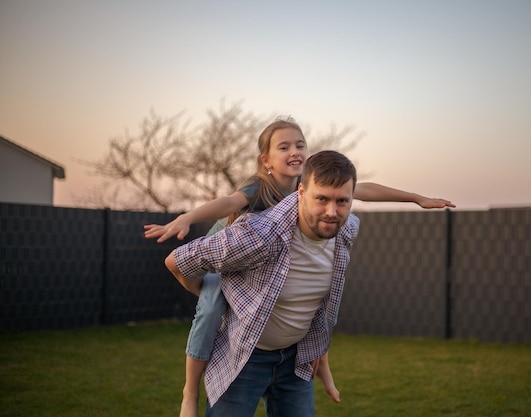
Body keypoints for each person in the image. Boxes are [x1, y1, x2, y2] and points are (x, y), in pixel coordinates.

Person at [145, 118, 455, 417]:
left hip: (293, 356)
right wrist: (186, 219)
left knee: (324, 304)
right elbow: (227, 205)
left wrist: (416, 198)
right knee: (211, 306)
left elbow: (365, 189)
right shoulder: (259, 190)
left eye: (300, 145)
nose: (294, 151)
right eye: (284, 147)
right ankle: (190, 393)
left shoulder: (315, 189)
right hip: (227, 246)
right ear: (266, 159)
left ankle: (325, 371)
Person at [165, 150, 359, 416]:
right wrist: (209, 296)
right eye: (321, 199)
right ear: (301, 193)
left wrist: (318, 348)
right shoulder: (257, 236)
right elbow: (177, 260)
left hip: (295, 362)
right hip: (244, 359)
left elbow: (326, 299)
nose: (332, 212)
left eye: (342, 201)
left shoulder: (347, 229)